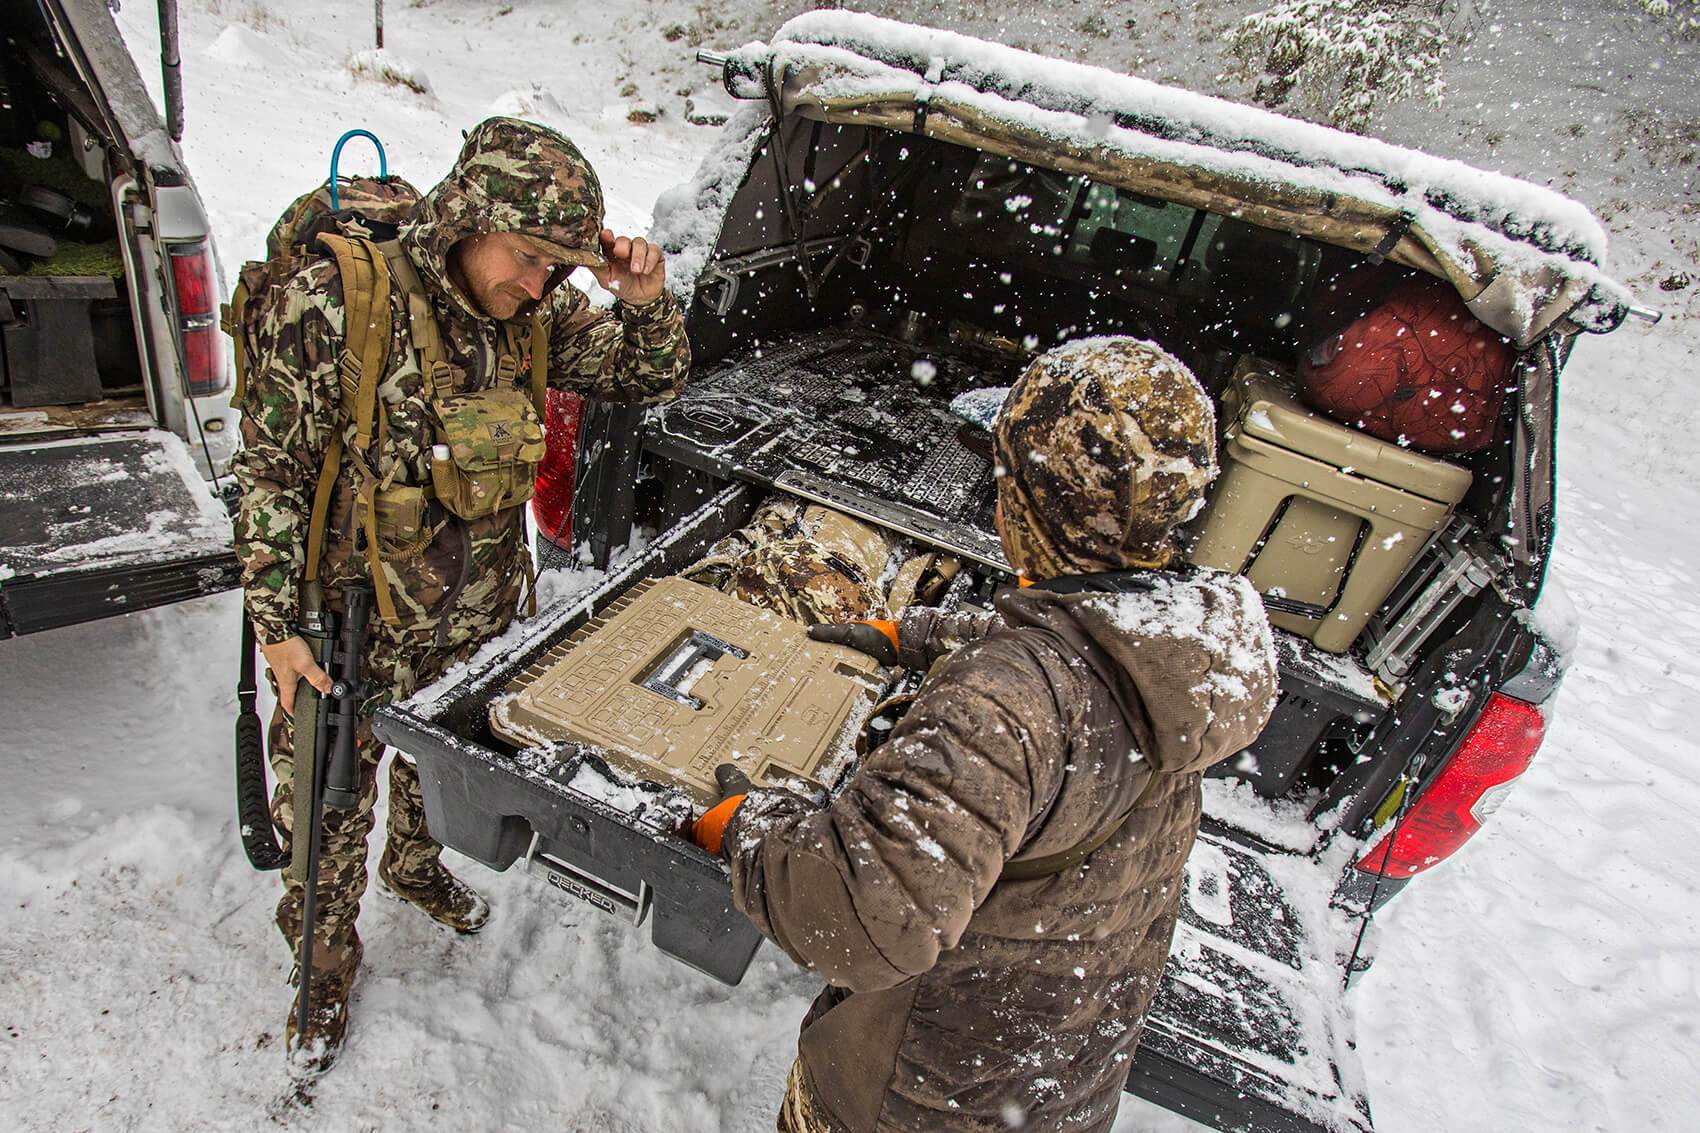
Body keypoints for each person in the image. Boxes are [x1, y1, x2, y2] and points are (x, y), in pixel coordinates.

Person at [692, 337, 1278, 1132]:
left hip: (919, 1103)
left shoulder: (1005, 705)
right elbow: (1080, 660)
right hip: (1054, 1087)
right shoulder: (1185, 643)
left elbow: (862, 922)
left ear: (1025, 506)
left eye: (1004, 478)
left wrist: (749, 831)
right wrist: (917, 636)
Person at [232, 116, 690, 1075]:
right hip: (347, 621)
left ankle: (413, 865)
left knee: (434, 769)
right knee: (324, 805)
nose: (539, 283)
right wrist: (277, 628)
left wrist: (642, 297)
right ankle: (322, 961)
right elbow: (271, 471)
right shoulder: (339, 303)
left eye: (556, 267)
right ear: (467, 219)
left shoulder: (536, 314)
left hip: (476, 612)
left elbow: (651, 374)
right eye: (527, 257)